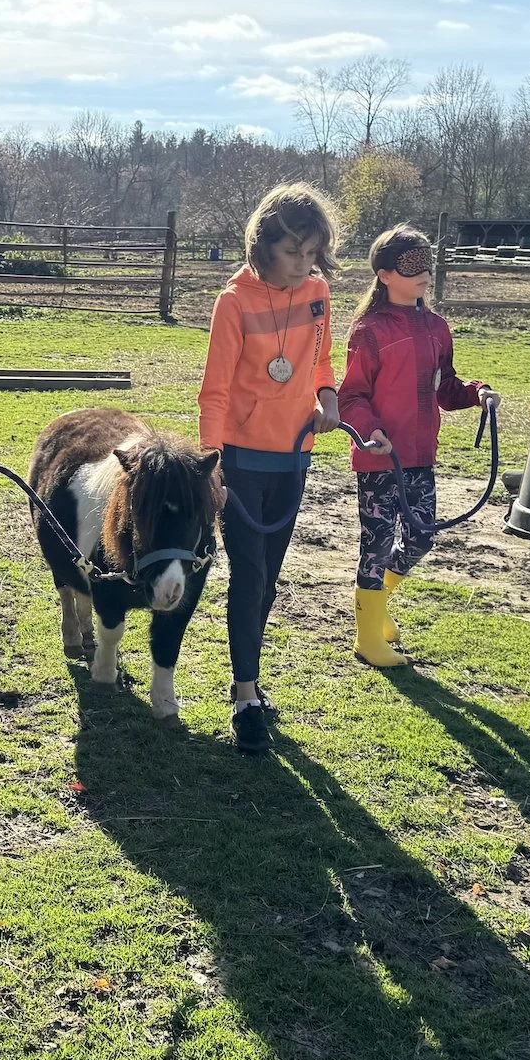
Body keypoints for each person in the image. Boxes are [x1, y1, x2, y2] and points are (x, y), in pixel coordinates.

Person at [197, 183, 342, 753]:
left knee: (269, 577)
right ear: (263, 247)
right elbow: (215, 391)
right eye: (292, 253)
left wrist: (328, 399)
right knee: (250, 573)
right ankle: (245, 695)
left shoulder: (318, 294)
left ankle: (249, 677)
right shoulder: (233, 303)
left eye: (311, 254)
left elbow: (323, 358)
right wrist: (212, 466)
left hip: (293, 455)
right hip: (239, 461)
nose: (303, 266)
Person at [337, 223, 499, 668]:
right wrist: (371, 431)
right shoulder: (367, 330)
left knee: (422, 537)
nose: (424, 274)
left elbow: (445, 387)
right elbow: (350, 395)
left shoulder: (437, 328)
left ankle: (378, 604)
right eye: (412, 267)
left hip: (421, 456)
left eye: (426, 264)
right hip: (379, 459)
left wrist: (476, 393)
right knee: (376, 544)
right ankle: (367, 637)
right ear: (385, 274)